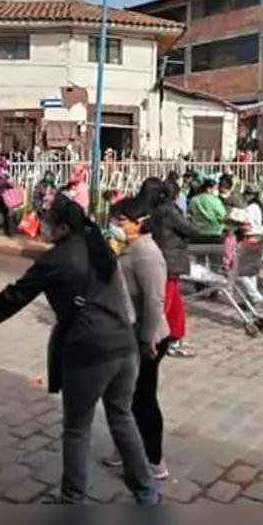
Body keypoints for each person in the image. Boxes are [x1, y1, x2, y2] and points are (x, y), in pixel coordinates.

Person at [0, 195, 159, 504]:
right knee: (122, 419)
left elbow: (15, 295)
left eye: (49, 221)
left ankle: (72, 501)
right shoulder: (98, 245)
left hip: (90, 352)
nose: (44, 225)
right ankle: (147, 496)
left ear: (63, 228)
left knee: (77, 428)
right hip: (124, 345)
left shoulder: (58, 259)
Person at [101, 197, 172, 480]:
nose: (117, 224)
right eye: (116, 219)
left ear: (139, 223)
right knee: (124, 395)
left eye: (122, 220)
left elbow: (155, 300)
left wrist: (147, 339)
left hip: (148, 336)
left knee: (143, 398)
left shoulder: (147, 254)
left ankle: (155, 459)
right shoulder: (130, 248)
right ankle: (125, 445)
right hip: (128, 331)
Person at [138, 177, 210, 358]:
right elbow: (192, 230)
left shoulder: (154, 210)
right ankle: (155, 340)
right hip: (169, 261)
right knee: (166, 303)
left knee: (175, 303)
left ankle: (175, 336)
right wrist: (195, 223)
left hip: (166, 259)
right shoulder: (169, 211)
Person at [239, 184, 263, 304]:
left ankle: (254, 295)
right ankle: (250, 298)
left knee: (239, 272)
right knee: (251, 272)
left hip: (251, 238)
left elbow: (245, 224)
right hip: (261, 239)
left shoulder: (250, 209)